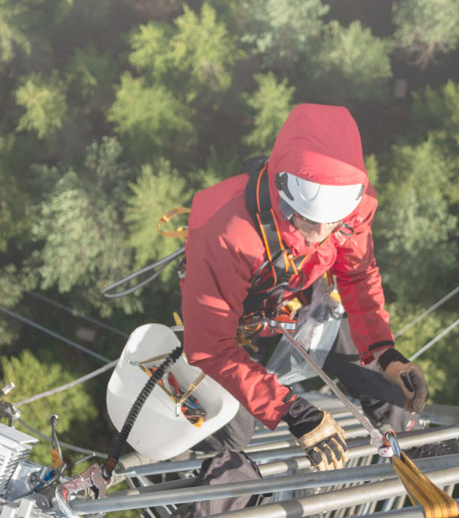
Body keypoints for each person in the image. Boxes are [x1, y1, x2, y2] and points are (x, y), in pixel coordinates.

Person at [181, 102, 428, 471]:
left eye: (333, 224)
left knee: (390, 392)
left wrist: (383, 351)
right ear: (284, 196)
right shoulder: (228, 231)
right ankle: (193, 463)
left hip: (295, 308)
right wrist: (291, 409)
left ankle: (410, 452)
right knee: (235, 434)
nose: (321, 234)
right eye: (309, 221)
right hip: (230, 331)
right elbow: (209, 347)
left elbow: (357, 275)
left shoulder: (352, 203)